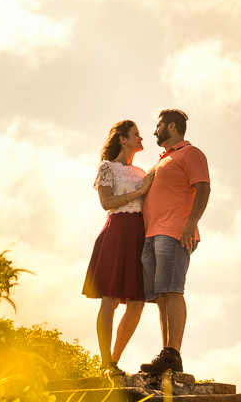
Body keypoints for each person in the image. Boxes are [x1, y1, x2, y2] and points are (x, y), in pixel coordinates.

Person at [139, 109, 210, 375]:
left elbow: (203, 186)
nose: (154, 131)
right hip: (152, 234)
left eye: (158, 126)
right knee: (161, 296)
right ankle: (167, 354)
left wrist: (191, 222)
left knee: (172, 290)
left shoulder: (190, 153)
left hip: (174, 231)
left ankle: (173, 353)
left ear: (171, 126)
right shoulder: (163, 160)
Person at [83, 119, 155, 376]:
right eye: (136, 134)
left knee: (137, 303)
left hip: (139, 234)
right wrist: (140, 192)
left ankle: (114, 360)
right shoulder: (107, 167)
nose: (141, 138)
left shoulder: (143, 172)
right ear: (123, 139)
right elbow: (106, 202)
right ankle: (106, 363)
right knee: (110, 299)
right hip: (117, 231)